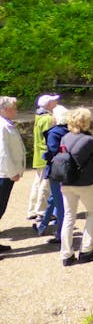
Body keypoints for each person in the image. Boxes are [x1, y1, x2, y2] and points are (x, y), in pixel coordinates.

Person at [59, 106, 93, 266]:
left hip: (66, 181)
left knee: (69, 217)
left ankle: (66, 254)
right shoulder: (89, 140)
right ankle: (86, 249)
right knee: (92, 212)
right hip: (84, 182)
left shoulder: (65, 138)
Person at [36, 108, 70, 243]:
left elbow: (53, 152)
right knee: (53, 199)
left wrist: (45, 156)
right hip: (68, 170)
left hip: (57, 171)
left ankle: (60, 233)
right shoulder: (71, 131)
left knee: (60, 203)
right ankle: (43, 225)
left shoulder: (54, 133)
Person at [0, 96, 25, 253]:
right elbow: (3, 153)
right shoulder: (2, 126)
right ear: (5, 110)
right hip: (3, 174)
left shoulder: (6, 124)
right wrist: (12, 172)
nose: (16, 111)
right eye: (14, 108)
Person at [28, 94, 59, 221]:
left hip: (39, 155)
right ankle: (41, 211)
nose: (56, 103)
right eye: (54, 101)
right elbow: (49, 139)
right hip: (45, 156)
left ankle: (32, 210)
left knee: (38, 183)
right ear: (48, 104)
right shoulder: (47, 119)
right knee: (45, 185)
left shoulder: (39, 116)